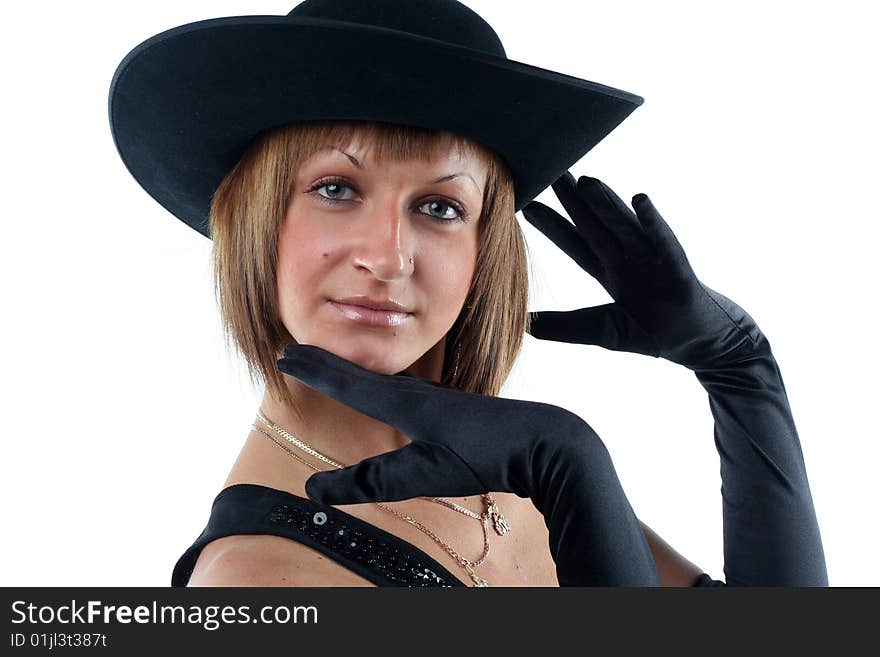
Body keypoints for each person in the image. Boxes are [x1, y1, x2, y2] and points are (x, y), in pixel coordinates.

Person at [108, 0, 828, 587]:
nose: (389, 256)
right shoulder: (260, 582)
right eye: (335, 188)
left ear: (486, 248)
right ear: (255, 222)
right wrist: (572, 458)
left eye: (440, 207)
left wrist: (741, 370)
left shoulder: (511, 487)